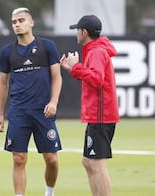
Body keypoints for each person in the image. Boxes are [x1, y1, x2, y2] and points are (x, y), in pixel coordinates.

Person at [0, 7, 62, 196]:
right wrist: (0, 114)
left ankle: (49, 193)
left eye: (21, 20)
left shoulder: (47, 46)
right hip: (18, 112)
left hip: (43, 111)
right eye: (14, 22)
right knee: (18, 159)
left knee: (52, 159)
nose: (17, 24)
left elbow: (57, 78)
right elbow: (2, 83)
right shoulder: (7, 52)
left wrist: (54, 102)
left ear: (31, 22)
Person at [60, 15, 119, 196]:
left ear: (84, 32)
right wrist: (73, 68)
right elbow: (93, 77)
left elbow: (96, 79)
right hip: (99, 115)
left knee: (97, 164)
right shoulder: (96, 49)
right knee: (88, 161)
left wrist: (76, 66)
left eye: (77, 30)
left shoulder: (95, 52)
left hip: (101, 116)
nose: (76, 34)